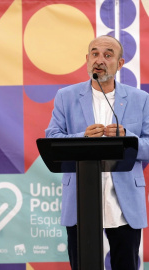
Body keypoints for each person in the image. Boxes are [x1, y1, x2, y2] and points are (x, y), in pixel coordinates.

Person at [46, 35, 149, 270]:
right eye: (94, 54)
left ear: (120, 64)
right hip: (82, 198)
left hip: (124, 203)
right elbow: (52, 139)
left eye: (108, 55)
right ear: (86, 60)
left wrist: (127, 139)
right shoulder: (66, 96)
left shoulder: (140, 99)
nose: (99, 60)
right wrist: (82, 137)